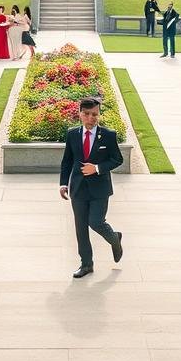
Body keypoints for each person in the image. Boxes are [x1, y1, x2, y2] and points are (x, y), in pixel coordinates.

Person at [58, 97, 125, 279]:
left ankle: (114, 238)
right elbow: (67, 161)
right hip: (78, 189)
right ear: (80, 114)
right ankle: (86, 264)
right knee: (81, 227)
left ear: (98, 114)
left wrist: (96, 168)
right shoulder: (72, 134)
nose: (91, 118)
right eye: (86, 114)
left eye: (94, 114)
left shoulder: (109, 135)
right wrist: (63, 183)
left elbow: (117, 159)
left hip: (100, 189)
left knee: (95, 222)